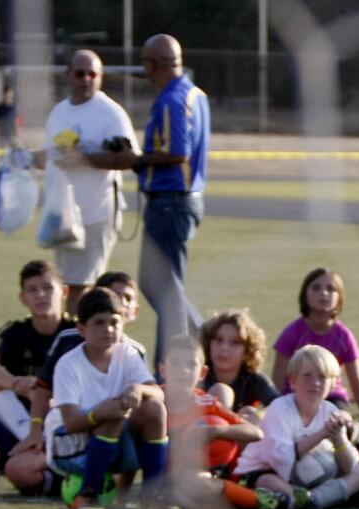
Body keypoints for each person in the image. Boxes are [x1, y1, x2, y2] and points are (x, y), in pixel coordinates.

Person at [118, 34, 210, 370]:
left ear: (151, 65)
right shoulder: (196, 94)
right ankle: (169, 362)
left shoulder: (173, 99)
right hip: (182, 201)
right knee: (165, 287)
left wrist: (138, 159)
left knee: (163, 288)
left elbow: (177, 152)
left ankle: (203, 337)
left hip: (171, 200)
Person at [49, 287, 171, 509]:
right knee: (114, 412)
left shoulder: (127, 353)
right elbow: (71, 423)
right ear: (82, 329)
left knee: (154, 407)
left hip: (116, 443)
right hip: (73, 450)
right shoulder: (68, 364)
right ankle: (87, 494)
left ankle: (152, 494)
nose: (108, 330)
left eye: (115, 322)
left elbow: (159, 393)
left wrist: (138, 388)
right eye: (99, 323)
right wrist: (99, 413)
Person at [36, 50, 138, 313]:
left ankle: (74, 342)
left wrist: (86, 157)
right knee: (64, 285)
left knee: (80, 287)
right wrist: (27, 159)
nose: (87, 79)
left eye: (93, 74)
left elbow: (129, 158)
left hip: (95, 213)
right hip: (63, 215)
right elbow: (51, 155)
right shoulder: (60, 112)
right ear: (68, 75)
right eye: (80, 73)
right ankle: (68, 343)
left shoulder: (110, 113)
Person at [0, 260, 75, 478]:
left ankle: (46, 462)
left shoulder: (77, 331)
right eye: (32, 290)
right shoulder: (14, 332)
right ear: (23, 298)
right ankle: (35, 444)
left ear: (64, 292)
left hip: (63, 410)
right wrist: (18, 384)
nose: (41, 295)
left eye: (48, 288)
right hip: (19, 418)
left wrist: (44, 391)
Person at [234, 346, 359, 509]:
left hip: (309, 478)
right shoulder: (280, 408)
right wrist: (321, 434)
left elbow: (349, 467)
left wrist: (339, 437)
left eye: (323, 377)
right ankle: (314, 496)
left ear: (333, 383)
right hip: (267, 472)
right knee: (267, 482)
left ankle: (313, 499)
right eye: (307, 376)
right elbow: (282, 457)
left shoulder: (330, 412)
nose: (316, 382)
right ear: (293, 381)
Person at [161, 334, 280, 509]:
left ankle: (257, 500)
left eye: (191, 365)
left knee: (193, 484)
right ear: (163, 370)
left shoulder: (205, 402)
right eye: (175, 363)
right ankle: (227, 498)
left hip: (198, 473)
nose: (183, 370)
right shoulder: (155, 401)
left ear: (202, 373)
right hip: (160, 478)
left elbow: (255, 433)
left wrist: (216, 431)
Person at [272, 268, 359, 421]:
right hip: (295, 395)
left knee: (341, 420)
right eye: (316, 288)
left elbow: (358, 383)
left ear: (339, 298)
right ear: (305, 293)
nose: (324, 293)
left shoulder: (343, 336)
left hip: (332, 396)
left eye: (331, 289)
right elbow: (277, 380)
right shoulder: (292, 333)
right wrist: (274, 412)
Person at [200, 309, 279, 423]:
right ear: (208, 343)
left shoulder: (254, 379)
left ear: (248, 350)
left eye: (234, 342)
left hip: (241, 435)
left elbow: (279, 404)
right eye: (218, 340)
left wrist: (258, 415)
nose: (224, 347)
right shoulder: (199, 374)